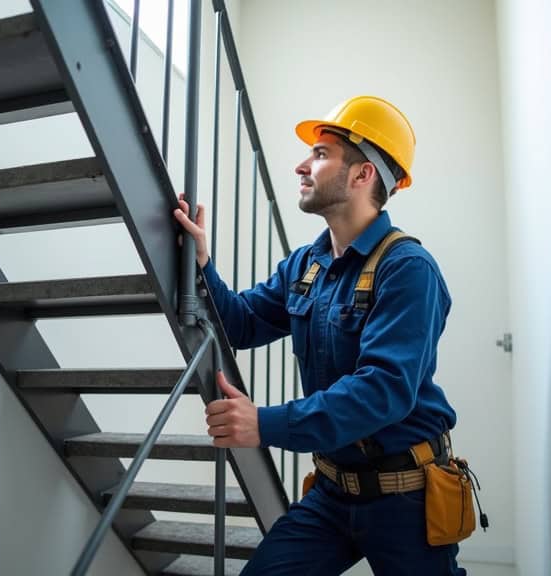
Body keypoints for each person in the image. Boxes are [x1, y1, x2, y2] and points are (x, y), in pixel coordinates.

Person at [174, 95, 465, 575]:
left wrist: (263, 424)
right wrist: (202, 263)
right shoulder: (306, 266)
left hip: (406, 496)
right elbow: (242, 323)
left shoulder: (408, 269)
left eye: (321, 154)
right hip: (333, 493)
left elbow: (382, 391)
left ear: (362, 174)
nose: (301, 166)